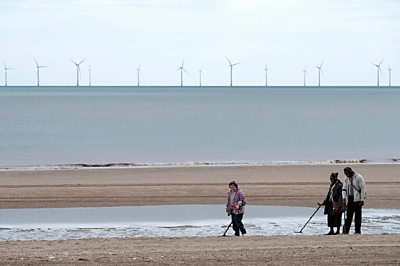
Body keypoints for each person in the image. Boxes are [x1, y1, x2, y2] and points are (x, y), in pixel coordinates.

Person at [342, 167, 366, 234]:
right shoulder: (346, 178)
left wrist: (362, 199)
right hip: (350, 198)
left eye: (347, 173)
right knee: (348, 216)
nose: (346, 175)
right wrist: (344, 197)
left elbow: (363, 189)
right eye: (345, 173)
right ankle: (346, 231)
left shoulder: (359, 177)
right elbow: (344, 188)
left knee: (357, 216)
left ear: (350, 172)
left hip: (357, 199)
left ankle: (357, 231)